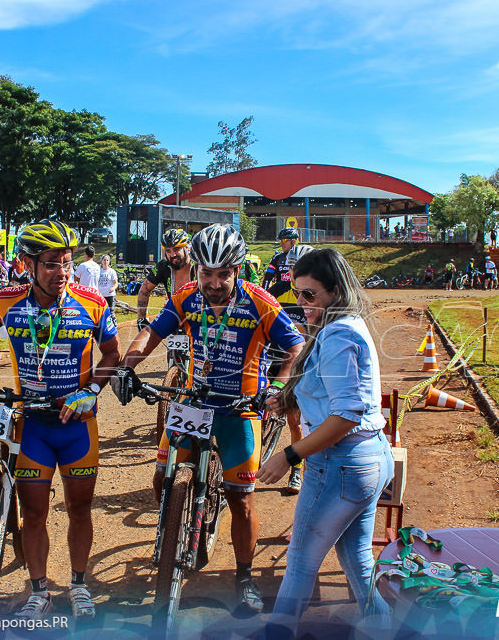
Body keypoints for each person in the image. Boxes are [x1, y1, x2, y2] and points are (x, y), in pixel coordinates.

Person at [0, 220, 120, 622]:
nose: (61, 272)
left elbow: (112, 356)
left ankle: (79, 585)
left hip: (77, 425)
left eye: (66, 262)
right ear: (26, 264)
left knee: (79, 509)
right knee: (33, 514)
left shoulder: (92, 303)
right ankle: (40, 590)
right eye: (50, 263)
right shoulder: (6, 301)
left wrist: (91, 391)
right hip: (31, 424)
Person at [111, 224, 304, 612]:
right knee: (161, 474)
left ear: (237, 270)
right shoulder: (185, 297)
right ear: (196, 270)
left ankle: (244, 576)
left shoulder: (261, 302)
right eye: (206, 273)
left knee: (241, 500)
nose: (213, 283)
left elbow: (295, 346)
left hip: (241, 405)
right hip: (195, 401)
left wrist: (278, 388)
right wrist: (126, 368)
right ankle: (170, 535)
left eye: (223, 274)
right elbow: (153, 334)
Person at [258, 248, 394, 638]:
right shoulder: (342, 325)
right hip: (364, 462)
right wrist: (288, 396)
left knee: (300, 565)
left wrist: (289, 455)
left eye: (309, 295)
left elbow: (346, 415)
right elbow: (337, 394)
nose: (301, 304)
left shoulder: (338, 334)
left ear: (335, 291)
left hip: (342, 462)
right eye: (297, 293)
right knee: (357, 561)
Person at [260, 243, 315, 492]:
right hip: (274, 356)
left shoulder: (317, 295)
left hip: (301, 363)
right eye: (292, 267)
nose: (295, 272)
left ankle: (296, 469)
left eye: (300, 267)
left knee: (294, 420)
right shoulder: (278, 290)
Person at [136, 228, 194, 330]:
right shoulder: (163, 266)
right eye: (168, 251)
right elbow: (145, 288)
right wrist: (141, 318)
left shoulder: (199, 266)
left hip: (198, 317)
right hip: (175, 315)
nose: (172, 255)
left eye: (176, 249)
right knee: (149, 338)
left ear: (187, 248)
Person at [263, 227, 299, 292]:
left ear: (293, 241)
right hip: (280, 298)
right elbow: (267, 278)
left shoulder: (302, 257)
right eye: (281, 241)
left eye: (284, 240)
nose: (281, 244)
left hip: (296, 299)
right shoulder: (277, 258)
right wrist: (264, 294)